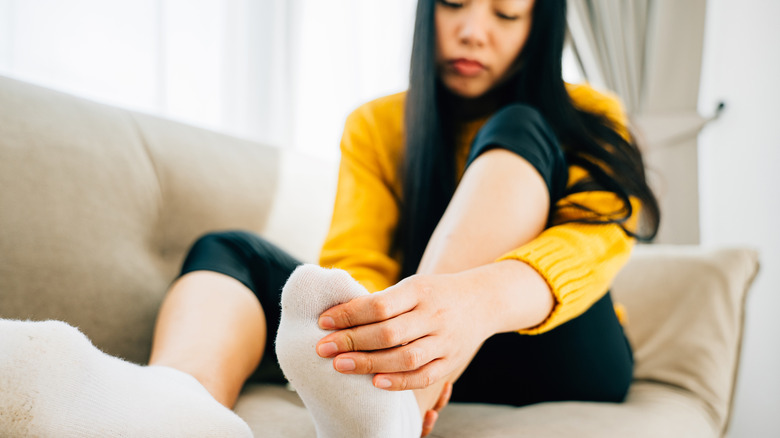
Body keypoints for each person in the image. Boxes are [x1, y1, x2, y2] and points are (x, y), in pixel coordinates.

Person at [0, 0, 660, 437]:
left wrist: (467, 305)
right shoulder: (377, 125)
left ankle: (405, 388)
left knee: (518, 125)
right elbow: (357, 262)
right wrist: (374, 325)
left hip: (550, 343)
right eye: (454, 3)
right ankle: (173, 407)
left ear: (536, 28)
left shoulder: (590, 114)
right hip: (411, 342)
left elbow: (594, 243)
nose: (472, 29)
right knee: (228, 248)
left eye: (506, 12)